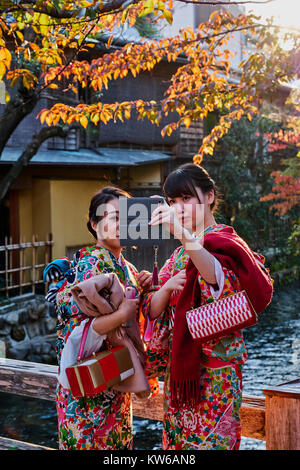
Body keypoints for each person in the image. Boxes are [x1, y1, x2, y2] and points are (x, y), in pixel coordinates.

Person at [142, 163, 273, 450]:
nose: (180, 207)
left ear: (210, 196)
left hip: (217, 371)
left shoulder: (224, 239)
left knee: (215, 442)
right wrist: (164, 289)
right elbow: (151, 311)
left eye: (186, 198)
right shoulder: (178, 254)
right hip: (180, 374)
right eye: (173, 201)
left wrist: (180, 232)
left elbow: (217, 280)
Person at [46, 186, 153, 450]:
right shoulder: (89, 264)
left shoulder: (126, 268)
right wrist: (122, 314)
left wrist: (146, 286)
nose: (121, 225)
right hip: (87, 384)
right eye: (113, 217)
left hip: (114, 381)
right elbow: (77, 330)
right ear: (95, 224)